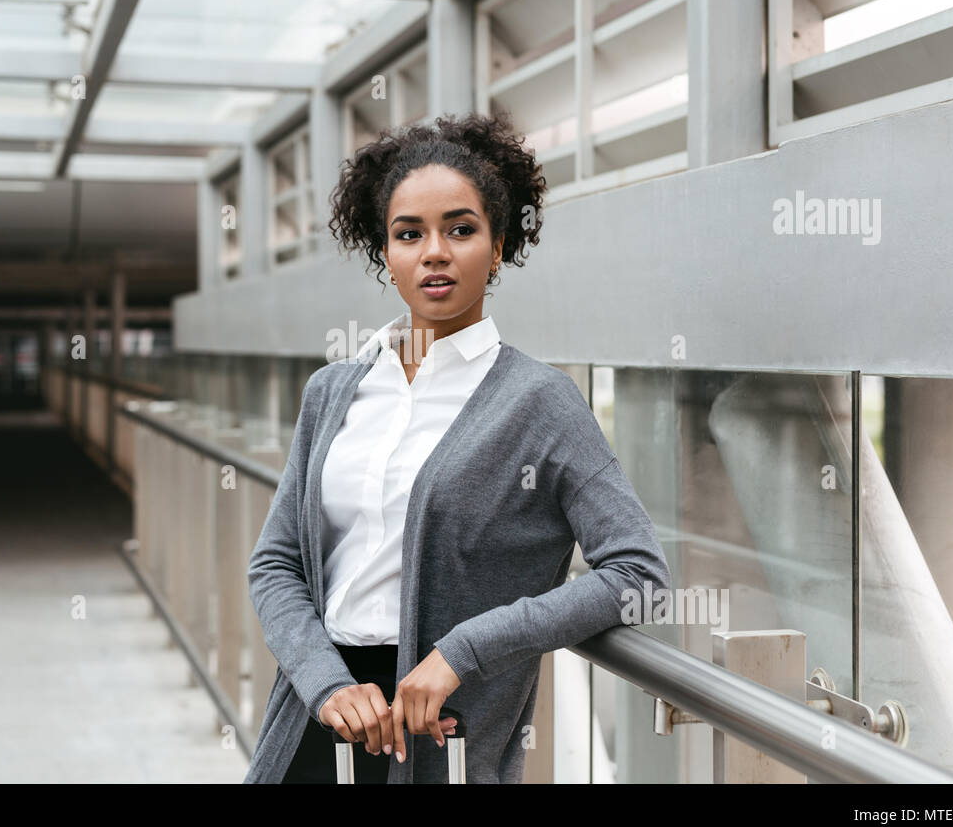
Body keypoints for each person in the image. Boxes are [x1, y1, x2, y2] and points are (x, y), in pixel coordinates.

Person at [244, 111, 671, 783]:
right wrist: (326, 684)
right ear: (385, 253)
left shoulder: (539, 401)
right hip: (318, 720)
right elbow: (275, 565)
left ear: (498, 247)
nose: (434, 251)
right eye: (409, 234)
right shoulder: (332, 391)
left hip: (444, 733)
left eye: (461, 229)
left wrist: (463, 651)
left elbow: (638, 574)